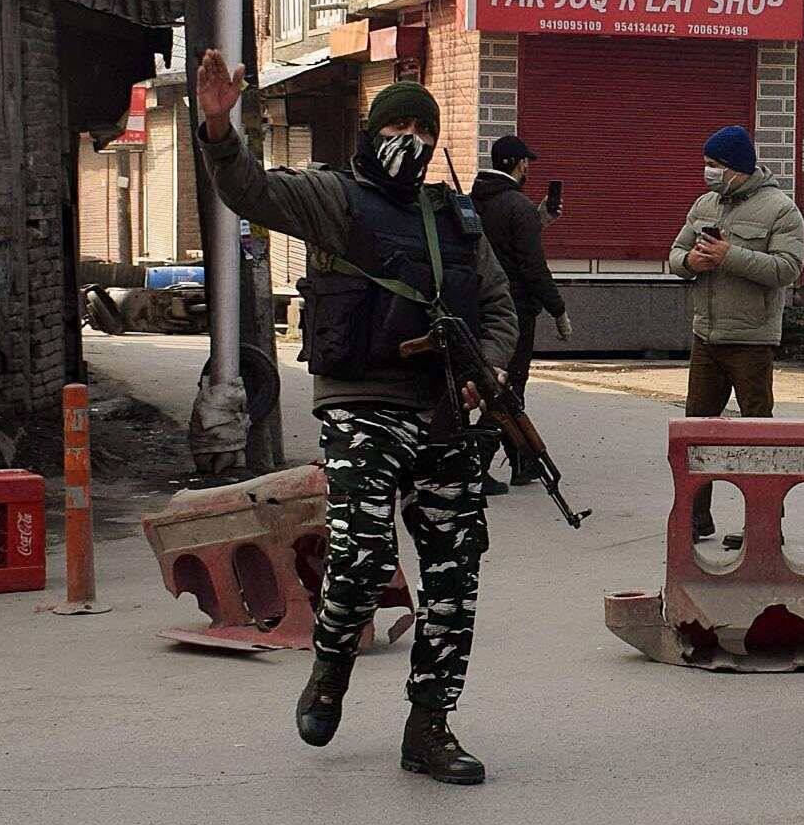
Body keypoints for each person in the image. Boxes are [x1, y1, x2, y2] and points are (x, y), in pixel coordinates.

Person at [193, 51, 519, 786]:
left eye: (424, 130)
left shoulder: (457, 219)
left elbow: (499, 308)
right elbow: (249, 190)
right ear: (373, 133)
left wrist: (491, 368)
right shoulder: (334, 198)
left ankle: (429, 727)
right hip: (363, 404)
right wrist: (218, 126)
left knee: (455, 574)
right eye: (399, 127)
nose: (412, 141)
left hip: (443, 411)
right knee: (364, 553)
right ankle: (332, 663)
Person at [669, 123, 804, 540]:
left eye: (714, 164)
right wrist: (691, 262)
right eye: (706, 164)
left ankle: (765, 526)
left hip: (751, 340)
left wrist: (729, 255)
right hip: (706, 337)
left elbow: (787, 268)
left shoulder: (781, 209)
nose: (708, 172)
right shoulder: (705, 204)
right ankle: (696, 518)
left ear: (736, 167)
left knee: (758, 437)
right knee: (698, 434)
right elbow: (675, 254)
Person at [470, 133, 571, 497]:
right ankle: (478, 465)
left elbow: (502, 244)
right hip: (514, 310)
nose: (528, 167)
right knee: (508, 387)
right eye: (526, 162)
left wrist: (538, 219)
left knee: (489, 383)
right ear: (517, 164)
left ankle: (522, 461)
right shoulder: (517, 204)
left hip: (477, 305)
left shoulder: (472, 201)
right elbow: (531, 265)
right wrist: (558, 308)